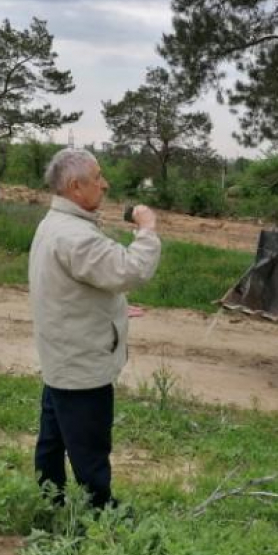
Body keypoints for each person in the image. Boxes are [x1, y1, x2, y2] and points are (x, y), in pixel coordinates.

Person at [29, 147, 161, 509]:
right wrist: (147, 229)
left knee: (54, 439)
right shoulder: (77, 236)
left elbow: (73, 284)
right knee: (90, 446)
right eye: (99, 177)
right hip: (82, 363)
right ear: (76, 186)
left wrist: (111, 306)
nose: (105, 184)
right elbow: (131, 269)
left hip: (62, 354)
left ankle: (49, 501)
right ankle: (99, 513)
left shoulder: (54, 224)